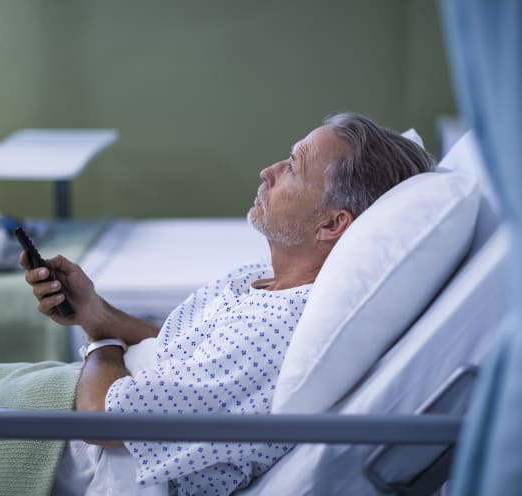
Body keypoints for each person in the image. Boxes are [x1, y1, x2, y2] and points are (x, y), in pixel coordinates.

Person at [22, 112, 435, 495]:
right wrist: (96, 313)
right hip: (70, 397)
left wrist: (101, 343)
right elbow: (183, 353)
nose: (268, 172)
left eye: (293, 167)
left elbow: (102, 420)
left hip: (68, 455)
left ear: (330, 223)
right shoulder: (259, 278)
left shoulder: (281, 333)